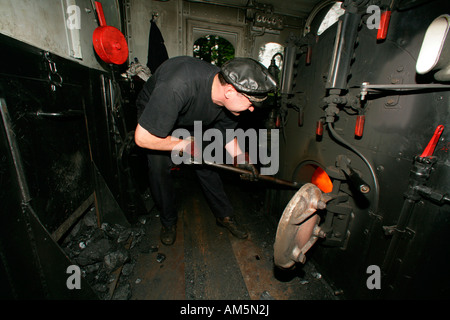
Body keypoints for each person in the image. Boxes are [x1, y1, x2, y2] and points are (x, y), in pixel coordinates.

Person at [134, 56, 277, 245]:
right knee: (159, 168)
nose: (251, 110)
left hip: (190, 116)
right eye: (250, 103)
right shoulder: (177, 85)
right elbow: (143, 138)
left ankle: (224, 215)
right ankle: (168, 221)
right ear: (229, 91)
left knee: (207, 161)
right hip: (157, 114)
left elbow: (226, 134)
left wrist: (241, 159)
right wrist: (184, 145)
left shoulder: (230, 100)